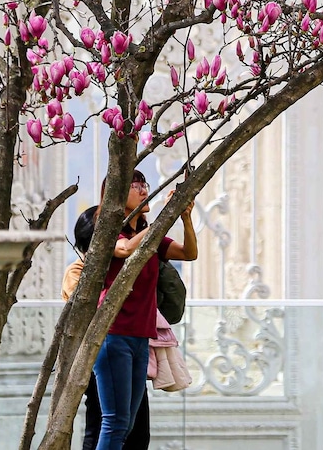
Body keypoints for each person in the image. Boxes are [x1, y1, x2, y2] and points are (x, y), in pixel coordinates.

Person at [93, 170, 197, 450]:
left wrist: (184, 217)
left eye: (144, 184)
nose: (143, 189)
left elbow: (189, 253)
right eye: (135, 185)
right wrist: (166, 214)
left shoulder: (148, 237)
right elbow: (124, 249)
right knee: (114, 421)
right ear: (115, 192)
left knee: (126, 423)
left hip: (141, 337)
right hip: (113, 335)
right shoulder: (107, 229)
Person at [62, 205, 150, 450]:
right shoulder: (78, 270)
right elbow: (85, 311)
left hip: (127, 345)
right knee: (104, 424)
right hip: (101, 353)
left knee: (134, 428)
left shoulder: (117, 266)